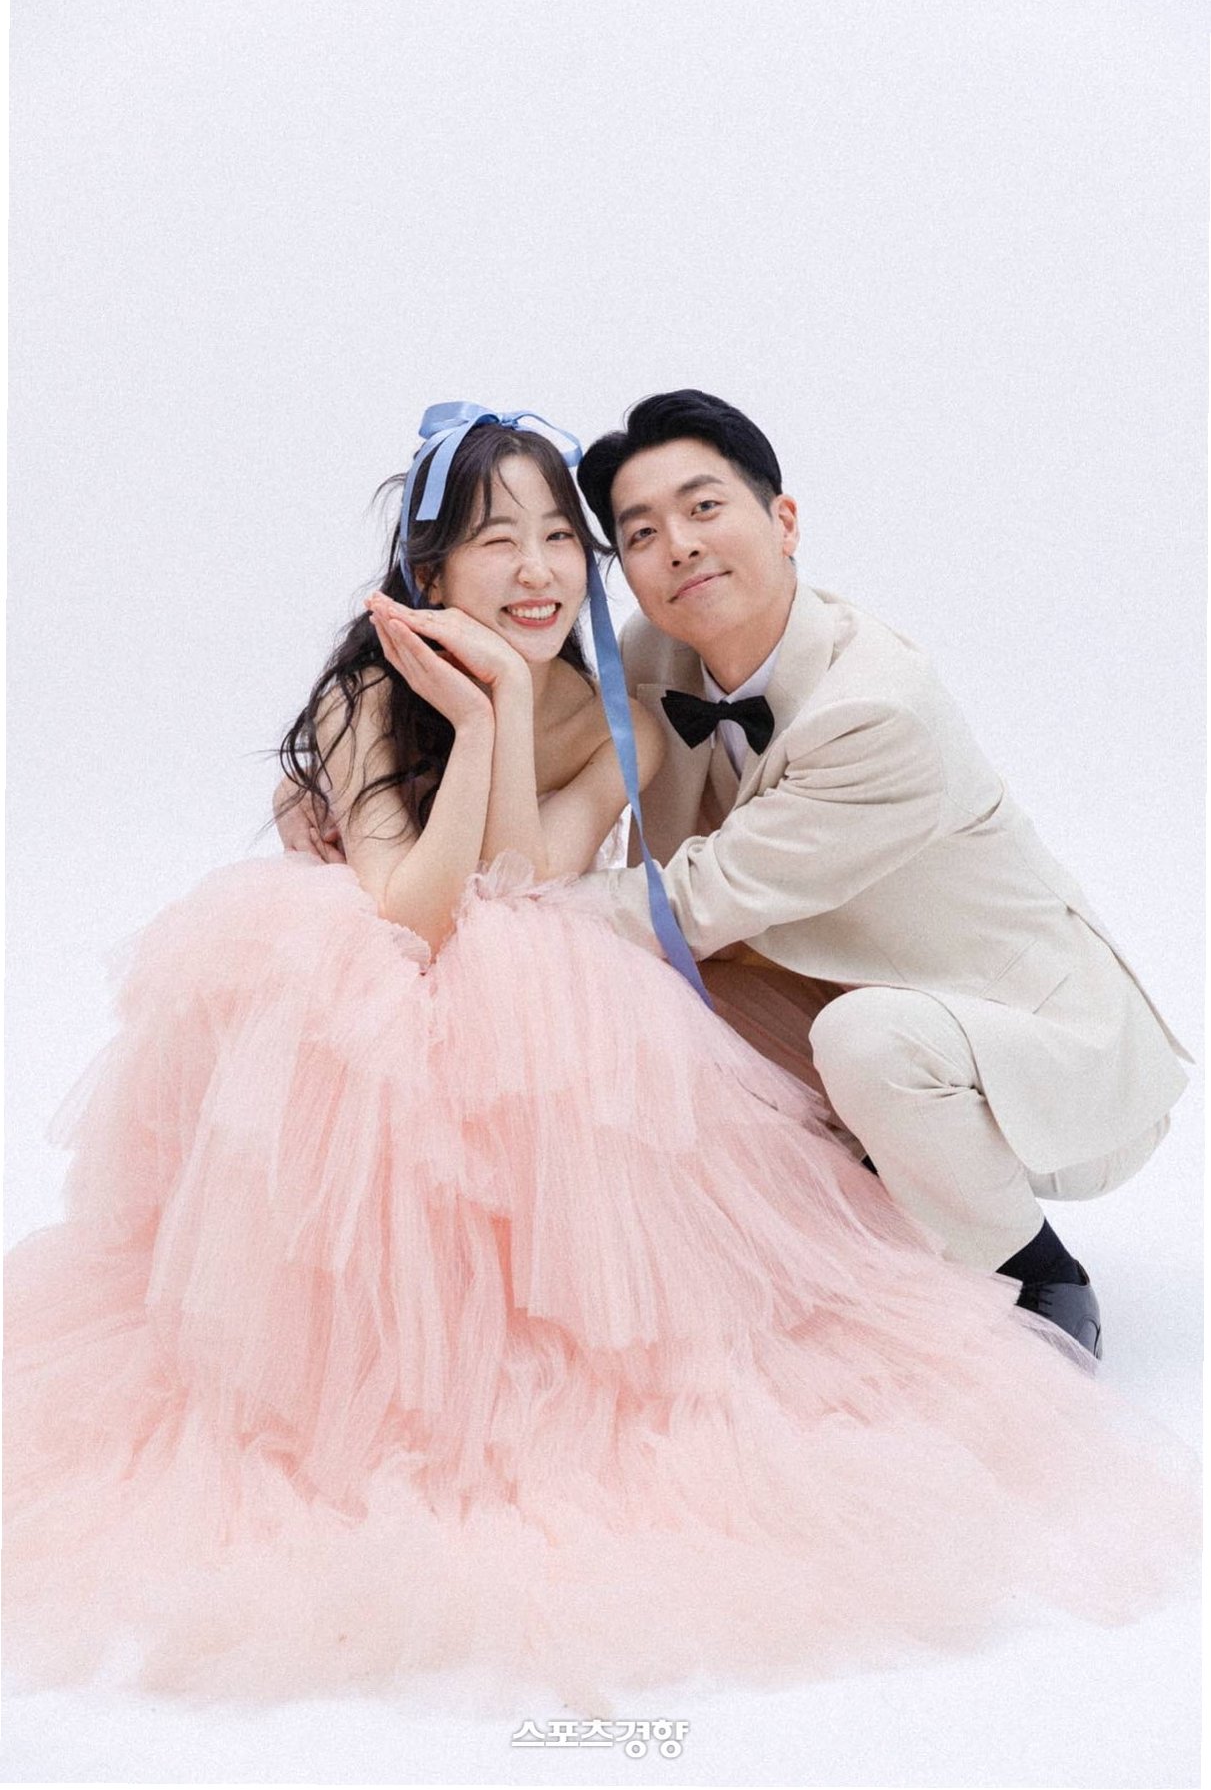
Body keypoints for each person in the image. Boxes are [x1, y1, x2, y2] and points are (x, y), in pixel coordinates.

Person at [4, 407, 1196, 1711]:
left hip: (995, 1016)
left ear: (779, 517)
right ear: (429, 571)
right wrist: (463, 749)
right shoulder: (498, 674)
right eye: (517, 537)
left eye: (562, 536)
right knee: (382, 1022)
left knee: (591, 1009)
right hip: (478, 970)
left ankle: (1021, 1260)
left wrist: (502, 719)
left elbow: (539, 889)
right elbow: (417, 913)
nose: (546, 567)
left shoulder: (822, 706)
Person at [571, 390, 1193, 1359]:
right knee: (642, 1002)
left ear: (783, 521)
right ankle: (858, 1216)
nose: (678, 546)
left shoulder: (876, 709)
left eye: (703, 507)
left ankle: (1035, 1269)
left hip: (1045, 1054)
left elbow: (689, 902)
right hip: (849, 994)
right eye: (640, 533)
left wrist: (506, 912)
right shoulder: (652, 657)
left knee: (861, 1040)